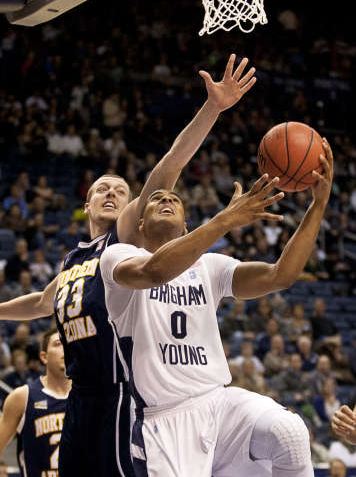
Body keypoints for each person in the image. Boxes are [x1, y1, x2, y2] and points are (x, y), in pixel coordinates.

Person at [0, 55, 257, 477]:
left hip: (120, 394)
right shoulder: (74, 261)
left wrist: (212, 108)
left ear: (135, 214)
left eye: (121, 192)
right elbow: (43, 303)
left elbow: (170, 165)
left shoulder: (121, 243)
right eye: (101, 189)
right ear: (85, 205)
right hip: (81, 397)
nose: (110, 193)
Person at [100, 138, 332, 477]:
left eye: (173, 199)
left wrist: (319, 204)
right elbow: (156, 271)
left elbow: (280, 275)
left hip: (218, 403)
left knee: (290, 433)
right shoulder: (118, 257)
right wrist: (224, 221)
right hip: (162, 419)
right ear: (138, 225)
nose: (166, 199)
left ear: (186, 227)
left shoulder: (210, 267)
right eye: (157, 200)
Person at [0, 328, 70, 476]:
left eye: (69, 343)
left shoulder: (88, 397)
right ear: (44, 357)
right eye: (58, 343)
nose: (66, 348)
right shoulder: (22, 397)